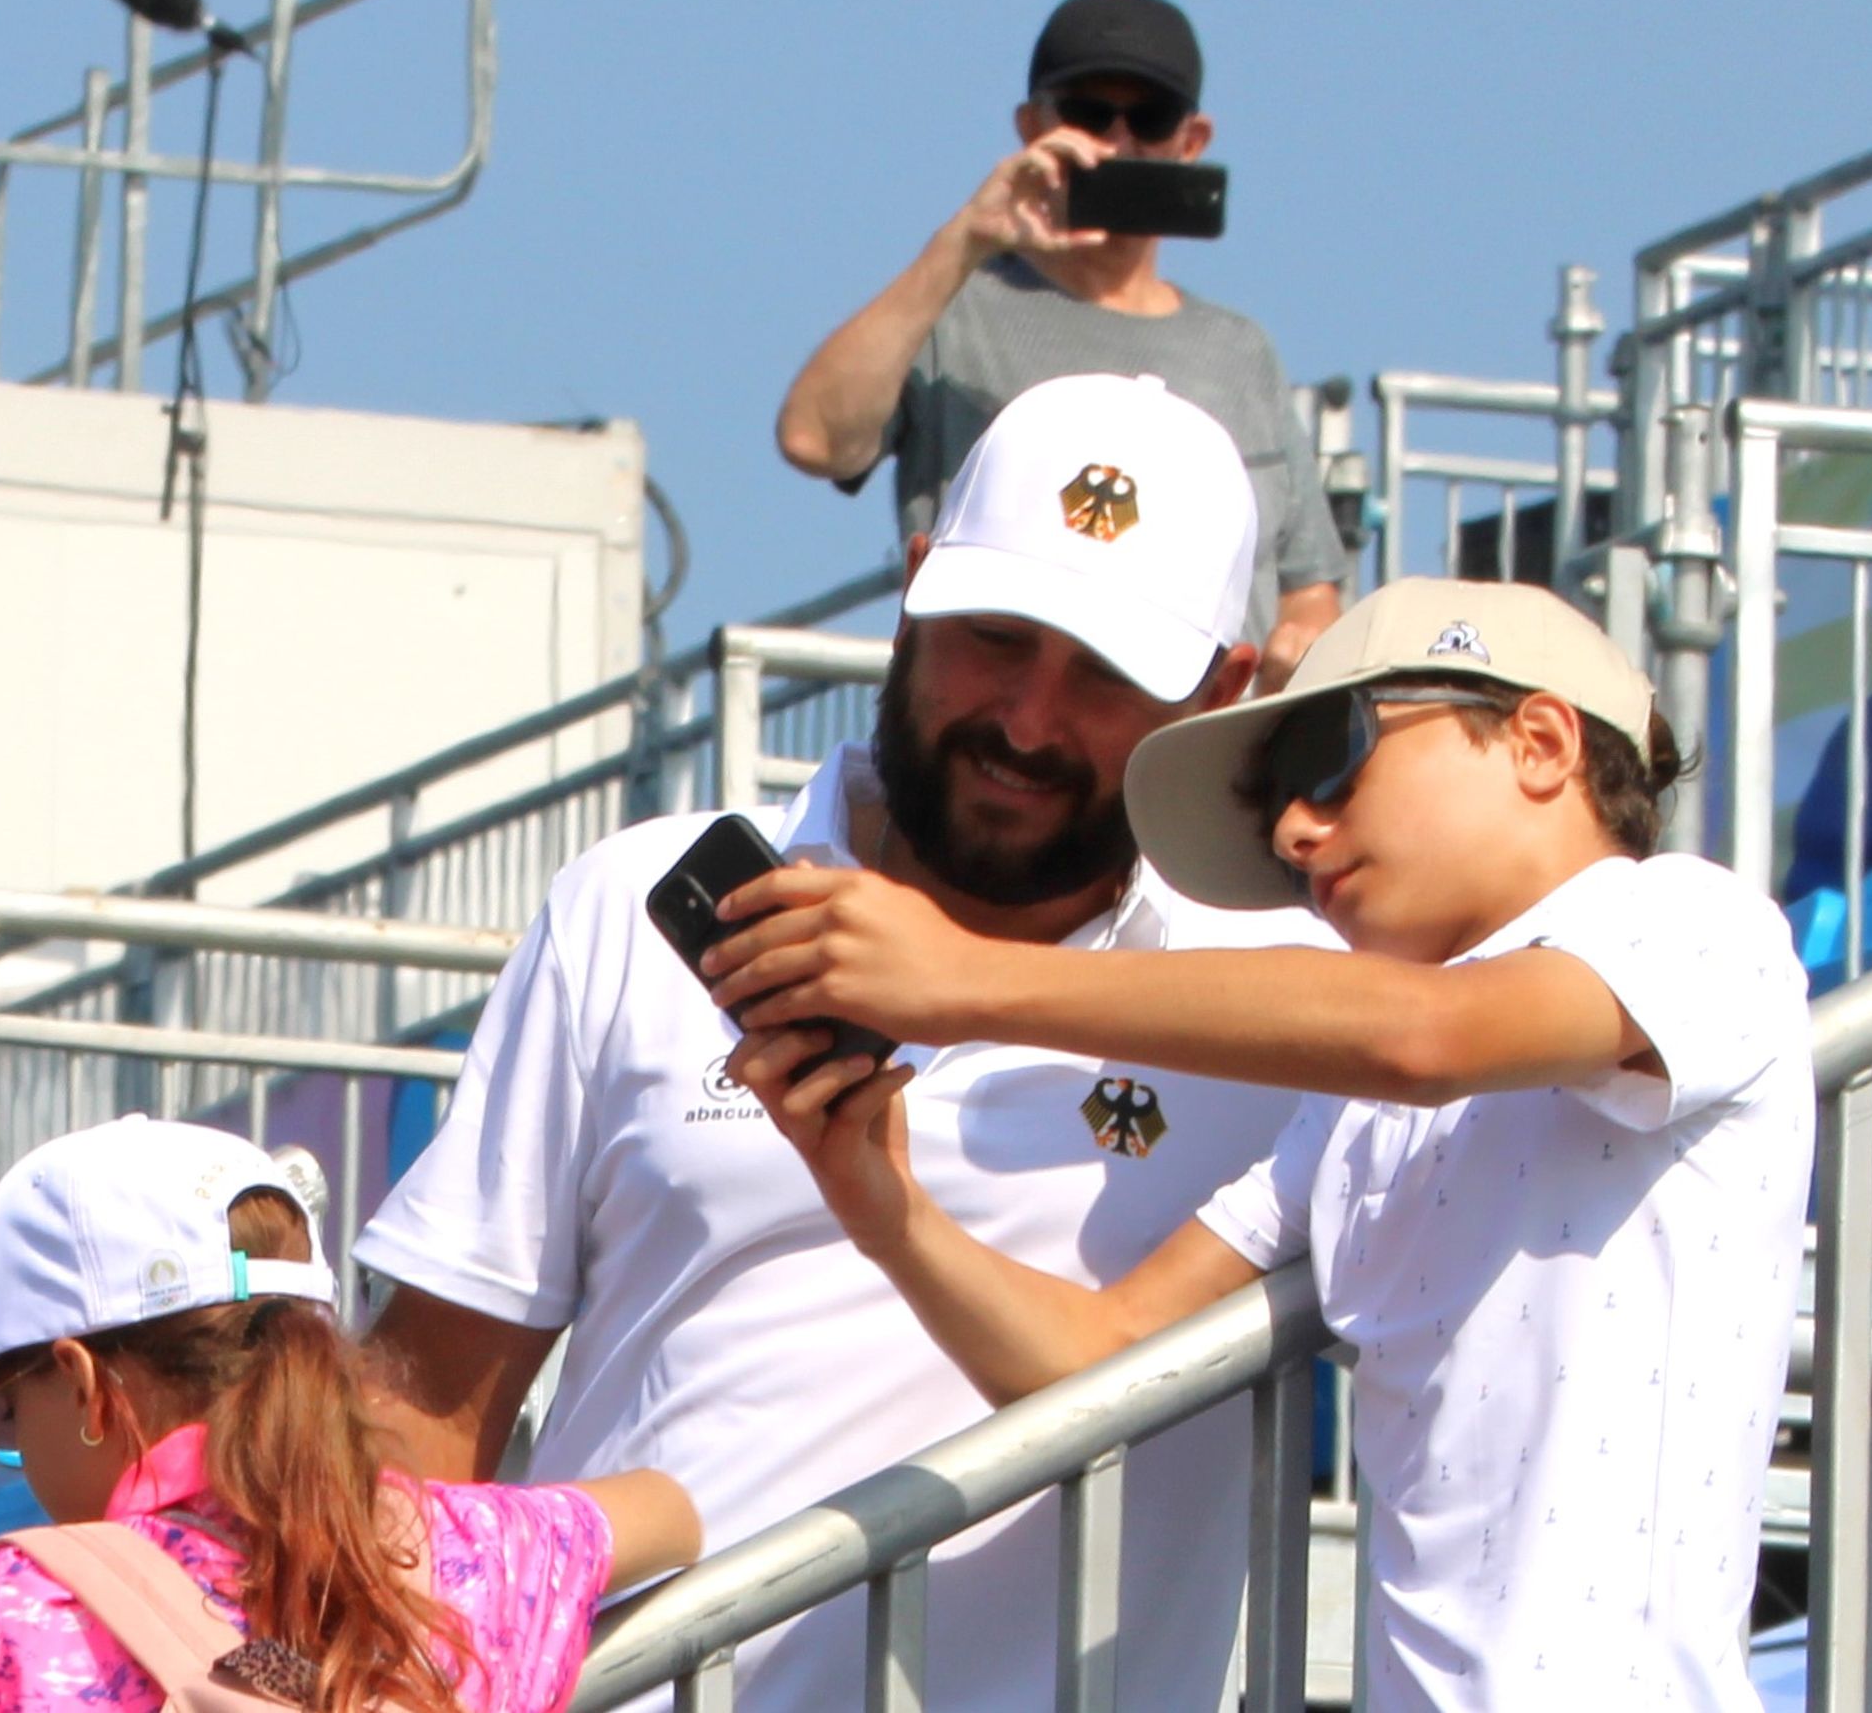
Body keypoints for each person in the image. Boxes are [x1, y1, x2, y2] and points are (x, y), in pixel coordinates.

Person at [358, 373, 1325, 1713]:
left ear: (1219, 691)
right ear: (912, 585)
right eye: (996, 636)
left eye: (1105, 674)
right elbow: (429, 1397)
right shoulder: (628, 906)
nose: (1029, 720)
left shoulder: (1308, 1013)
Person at [709, 578, 1815, 1710]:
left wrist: (967, 979)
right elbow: (1102, 1359)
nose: (1296, 831)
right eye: (1280, 813)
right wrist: (878, 1199)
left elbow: (1426, 1036)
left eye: (1333, 759)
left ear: (1538, 742)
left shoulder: (1694, 920)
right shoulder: (1349, 1106)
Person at [0, 1116, 696, 1713]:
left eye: (8, 1418)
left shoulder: (17, 1605)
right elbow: (671, 1514)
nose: (21, 1455)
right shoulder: (463, 1553)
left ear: (84, 1386)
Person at [776, 0, 1347, 691]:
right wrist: (963, 241)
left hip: (1194, 772)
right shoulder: (953, 315)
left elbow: (1308, 589)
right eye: (1086, 113)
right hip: (1007, 739)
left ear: (1190, 142)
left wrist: (1303, 646)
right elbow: (814, 440)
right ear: (1030, 128)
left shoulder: (1241, 354)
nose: (1115, 141)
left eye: (1150, 118)